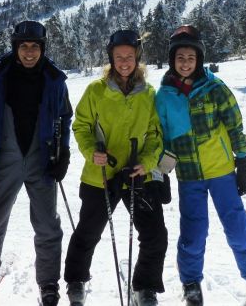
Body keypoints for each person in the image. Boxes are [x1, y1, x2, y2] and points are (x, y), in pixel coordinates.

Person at [155, 25, 246, 306]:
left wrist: (243, 160)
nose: (185, 63)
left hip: (221, 172)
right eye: (180, 57)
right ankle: (191, 282)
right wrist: (162, 174)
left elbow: (234, 125)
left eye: (190, 58)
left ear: (199, 60)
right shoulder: (164, 96)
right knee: (193, 234)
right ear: (172, 60)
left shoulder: (214, 88)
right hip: (189, 176)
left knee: (237, 228)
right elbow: (163, 138)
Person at [0, 20, 72, 306]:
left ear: (43, 48)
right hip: (5, 156)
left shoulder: (54, 79)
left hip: (42, 159)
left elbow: (64, 116)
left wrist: (63, 153)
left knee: (47, 224)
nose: (29, 52)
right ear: (15, 47)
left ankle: (48, 283)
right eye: (23, 46)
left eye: (35, 47)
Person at [64, 29, 168, 306]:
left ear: (137, 58)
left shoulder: (148, 93)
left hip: (137, 174)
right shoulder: (96, 90)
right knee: (88, 232)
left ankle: (145, 287)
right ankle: (76, 281)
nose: (124, 62)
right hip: (101, 174)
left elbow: (155, 135)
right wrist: (91, 152)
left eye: (129, 57)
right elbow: (81, 126)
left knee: (155, 234)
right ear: (111, 58)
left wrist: (147, 163)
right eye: (119, 57)